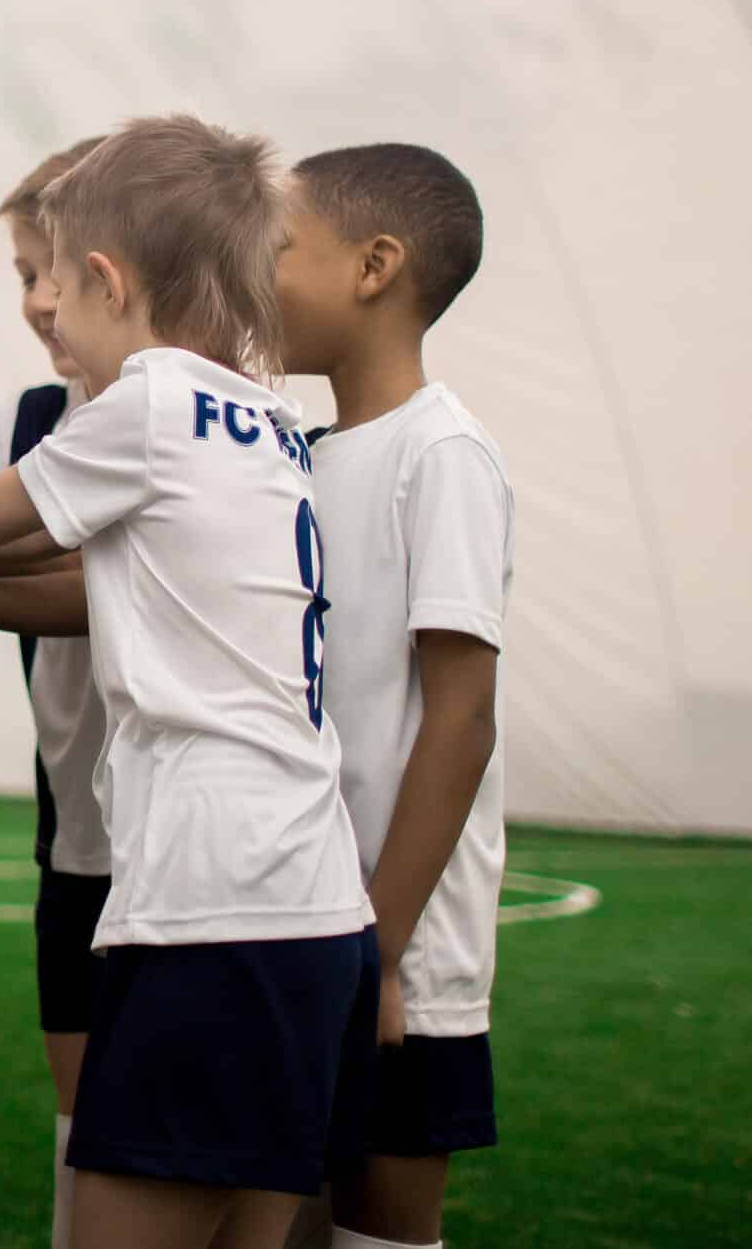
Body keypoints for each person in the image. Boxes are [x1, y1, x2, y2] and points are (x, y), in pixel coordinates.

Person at [0, 118, 378, 1249]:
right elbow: (48, 571)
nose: (44, 306)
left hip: (210, 908)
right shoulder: (270, 420)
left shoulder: (148, 404)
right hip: (319, 908)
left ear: (106, 279)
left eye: (52, 280)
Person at [273, 145, 512, 1249]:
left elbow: (462, 716)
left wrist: (381, 945)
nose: (255, 274)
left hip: (397, 950)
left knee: (383, 1222)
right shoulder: (299, 454)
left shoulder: (442, 453)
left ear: (374, 267)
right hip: (311, 928)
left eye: (280, 248)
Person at [0, 137, 110, 1249]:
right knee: (82, 1129)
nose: (39, 300)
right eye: (22, 273)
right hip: (77, 840)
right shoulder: (22, 424)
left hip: (197, 855)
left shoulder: (203, 416)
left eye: (52, 270)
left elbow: (80, 587)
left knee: (208, 1141)